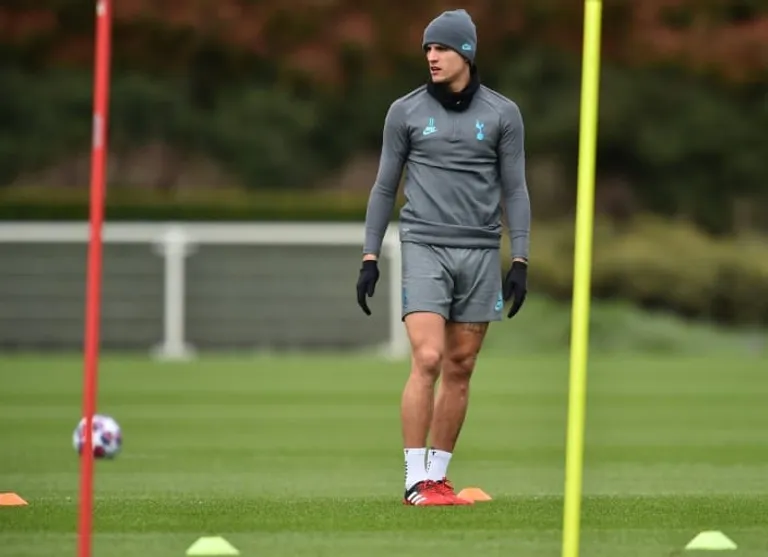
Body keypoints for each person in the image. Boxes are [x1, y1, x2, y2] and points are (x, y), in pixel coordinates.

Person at [356, 8, 531, 506]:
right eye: (428, 49)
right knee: (428, 356)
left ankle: (436, 479)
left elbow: (515, 190)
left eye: (441, 48)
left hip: (480, 251)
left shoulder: (503, 115)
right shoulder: (405, 112)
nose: (431, 56)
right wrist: (369, 256)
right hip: (424, 246)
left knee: (461, 364)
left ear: (466, 54)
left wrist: (520, 259)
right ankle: (415, 481)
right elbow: (384, 187)